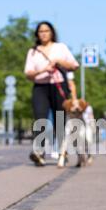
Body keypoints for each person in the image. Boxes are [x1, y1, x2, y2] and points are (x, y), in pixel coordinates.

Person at [24, 21, 79, 167]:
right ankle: (39, 153)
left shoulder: (61, 48)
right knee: (40, 118)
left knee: (59, 120)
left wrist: (59, 61)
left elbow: (74, 66)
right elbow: (28, 74)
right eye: (41, 31)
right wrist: (43, 70)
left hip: (58, 86)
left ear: (52, 32)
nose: (43, 33)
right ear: (37, 34)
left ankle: (62, 153)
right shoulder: (33, 51)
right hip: (40, 87)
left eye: (46, 31)